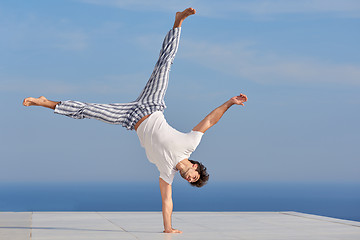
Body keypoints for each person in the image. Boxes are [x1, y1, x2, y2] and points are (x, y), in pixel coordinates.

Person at [23, 7, 248, 233]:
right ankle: (178, 22)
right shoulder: (189, 145)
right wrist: (229, 103)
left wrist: (168, 229)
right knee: (164, 63)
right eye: (194, 176)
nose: (190, 178)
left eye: (191, 181)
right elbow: (210, 121)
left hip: (130, 117)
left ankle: (46, 102)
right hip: (152, 104)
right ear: (195, 166)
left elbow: (167, 201)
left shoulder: (166, 173)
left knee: (88, 111)